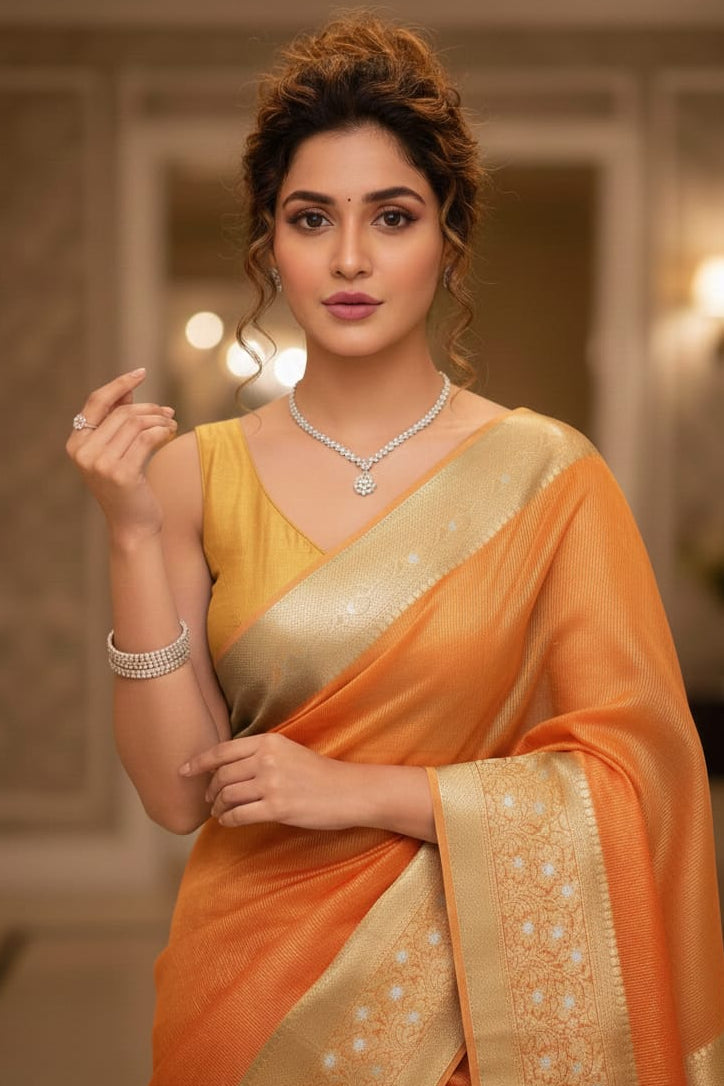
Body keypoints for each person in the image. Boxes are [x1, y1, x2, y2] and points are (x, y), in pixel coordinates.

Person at [66, 13, 724, 1086]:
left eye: (393, 215)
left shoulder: (546, 477)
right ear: (267, 242)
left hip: (468, 998)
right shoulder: (197, 472)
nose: (351, 257)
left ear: (449, 236)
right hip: (245, 989)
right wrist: (132, 537)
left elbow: (641, 780)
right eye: (311, 217)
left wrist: (362, 792)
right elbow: (176, 795)